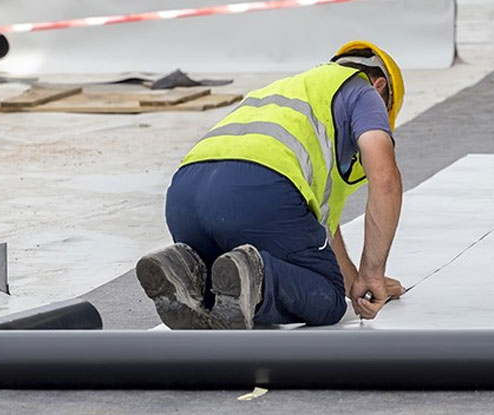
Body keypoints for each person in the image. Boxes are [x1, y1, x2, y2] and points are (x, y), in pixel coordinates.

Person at [135, 41, 406, 329]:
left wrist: (358, 284)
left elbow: (321, 234)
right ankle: (256, 276)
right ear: (380, 87)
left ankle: (185, 266)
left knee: (225, 286)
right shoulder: (365, 91)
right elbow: (385, 180)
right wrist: (374, 275)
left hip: (185, 196)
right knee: (326, 299)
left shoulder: (283, 91)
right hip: (258, 190)